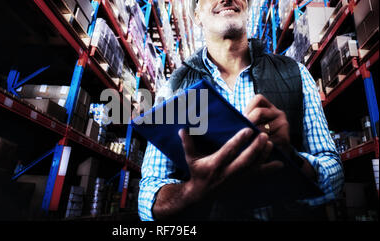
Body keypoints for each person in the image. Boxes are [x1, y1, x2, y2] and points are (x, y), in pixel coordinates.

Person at [138, 0, 344, 221]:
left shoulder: (296, 74)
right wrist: (191, 191)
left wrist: (292, 160)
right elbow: (149, 191)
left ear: (248, 6)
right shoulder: (174, 90)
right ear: (197, 14)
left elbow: (335, 173)